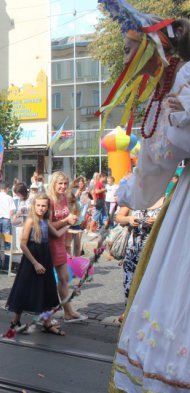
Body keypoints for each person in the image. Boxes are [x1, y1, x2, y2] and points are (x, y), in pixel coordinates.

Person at [104, 7, 190, 390]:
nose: (125, 62)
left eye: (128, 51)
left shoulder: (180, 82)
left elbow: (156, 168)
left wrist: (124, 192)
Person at [6, 193, 69, 336]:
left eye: (44, 206)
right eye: (38, 205)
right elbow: (22, 244)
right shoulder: (30, 221)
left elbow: (57, 234)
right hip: (32, 258)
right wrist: (35, 263)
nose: (41, 208)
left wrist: (70, 224)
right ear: (34, 206)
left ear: (48, 208)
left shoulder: (45, 221)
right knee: (24, 289)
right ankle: (15, 320)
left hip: (45, 256)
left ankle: (47, 323)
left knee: (47, 289)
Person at [47, 171, 83, 322]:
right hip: (49, 243)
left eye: (65, 184)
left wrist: (71, 220)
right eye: (60, 184)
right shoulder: (49, 200)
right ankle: (46, 315)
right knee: (48, 281)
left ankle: (68, 311)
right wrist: (66, 220)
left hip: (60, 241)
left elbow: (64, 221)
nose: (63, 187)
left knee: (64, 278)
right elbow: (48, 225)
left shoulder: (63, 198)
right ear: (54, 184)